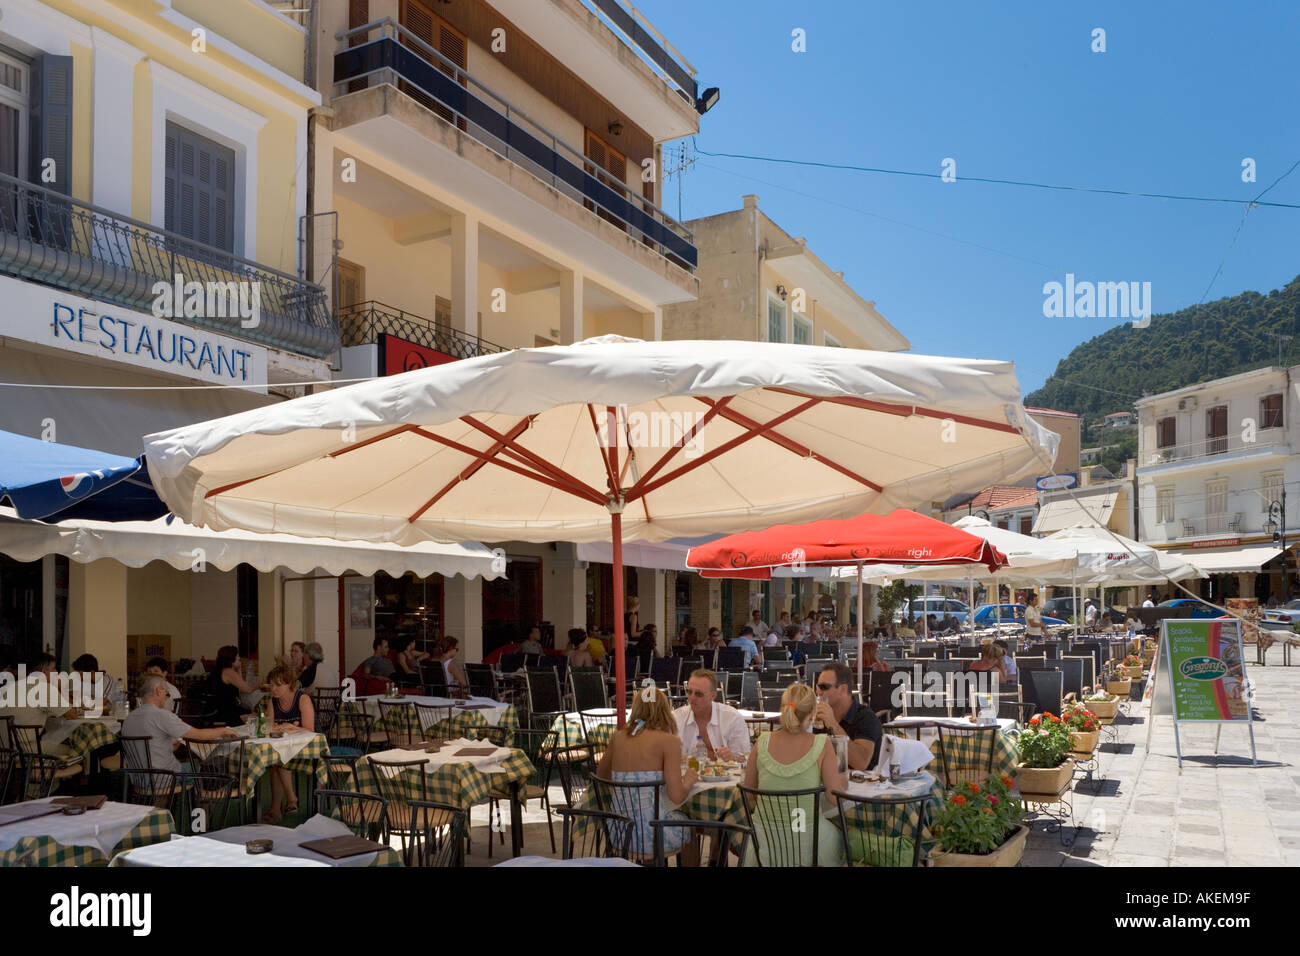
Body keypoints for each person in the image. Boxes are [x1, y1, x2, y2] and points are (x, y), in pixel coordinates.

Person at [741, 682, 845, 866]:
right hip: (808, 843)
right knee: (843, 835)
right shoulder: (822, 744)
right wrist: (842, 782)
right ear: (812, 715)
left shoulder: (762, 742)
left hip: (764, 845)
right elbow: (834, 798)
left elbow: (748, 794)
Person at [595, 683, 697, 859]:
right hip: (653, 833)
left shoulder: (618, 737)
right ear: (665, 710)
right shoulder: (669, 741)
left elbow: (601, 776)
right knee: (691, 823)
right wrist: (689, 779)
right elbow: (677, 796)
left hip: (618, 832)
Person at [122, 675, 242, 773]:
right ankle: (204, 797)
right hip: (166, 777)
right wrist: (224, 730)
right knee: (201, 768)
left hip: (138, 779)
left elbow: (153, 747)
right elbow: (199, 735)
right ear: (159, 691)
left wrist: (174, 743)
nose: (166, 697)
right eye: (166, 693)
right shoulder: (162, 715)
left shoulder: (129, 718)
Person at [263, 664, 315, 823]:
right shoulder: (273, 701)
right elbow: (269, 727)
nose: (274, 689)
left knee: (277, 760)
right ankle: (281, 806)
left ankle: (286, 802)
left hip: (307, 748)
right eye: (272, 685)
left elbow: (310, 730)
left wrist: (291, 727)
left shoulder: (302, 699)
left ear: (289, 684)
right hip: (284, 748)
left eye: (278, 685)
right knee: (276, 760)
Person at [814, 662, 883, 771]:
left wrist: (833, 724)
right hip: (829, 781)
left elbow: (861, 762)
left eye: (824, 687)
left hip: (864, 784)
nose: (818, 692)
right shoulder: (818, 718)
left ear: (843, 690)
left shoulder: (865, 718)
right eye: (817, 687)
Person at [673, 669, 750, 760]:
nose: (692, 697)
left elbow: (744, 758)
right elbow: (663, 756)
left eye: (698, 694)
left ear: (713, 696)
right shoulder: (676, 718)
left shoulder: (732, 718)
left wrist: (732, 758)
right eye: (689, 692)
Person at [204, 645, 255, 727]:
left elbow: (240, 687)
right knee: (255, 715)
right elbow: (247, 689)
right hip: (224, 713)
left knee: (248, 711)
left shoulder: (218, 670)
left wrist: (239, 668)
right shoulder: (228, 672)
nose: (239, 658)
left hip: (215, 710)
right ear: (231, 659)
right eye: (237, 656)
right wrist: (260, 684)